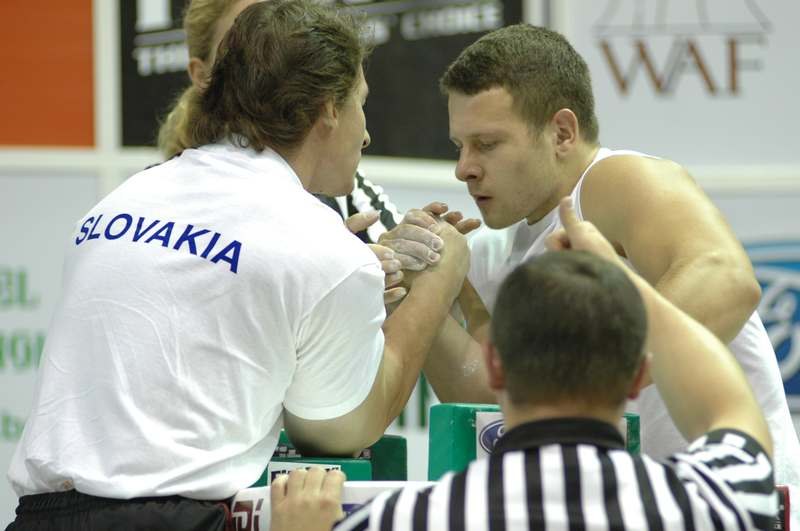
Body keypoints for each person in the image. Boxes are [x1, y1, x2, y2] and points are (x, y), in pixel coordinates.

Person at [5, 2, 469, 529]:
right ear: (327, 109)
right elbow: (341, 428)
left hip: (36, 516)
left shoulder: (121, 201)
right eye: (361, 104)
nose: (366, 135)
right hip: (171, 518)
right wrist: (438, 277)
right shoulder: (318, 246)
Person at [380, 23, 799, 525]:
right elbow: (486, 403)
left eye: (487, 144)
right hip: (623, 508)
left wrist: (592, 361)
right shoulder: (498, 254)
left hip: (729, 504)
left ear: (561, 132)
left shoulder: (612, 180)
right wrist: (421, 289)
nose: (463, 168)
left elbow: (729, 282)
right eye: (459, 146)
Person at [272, 199, 778, 531]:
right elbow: (729, 408)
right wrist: (622, 283)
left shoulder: (402, 519)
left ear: (493, 367)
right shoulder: (715, 502)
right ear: (640, 375)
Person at [158, 0, 403, 245]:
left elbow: (392, 250)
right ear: (202, 77)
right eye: (247, 38)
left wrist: (394, 261)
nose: (277, 52)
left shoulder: (335, 175)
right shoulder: (164, 195)